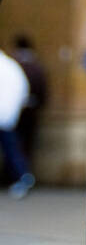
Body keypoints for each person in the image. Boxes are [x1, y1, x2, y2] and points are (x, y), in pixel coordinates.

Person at [0, 47, 35, 197]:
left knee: (11, 149)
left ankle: (23, 177)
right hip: (8, 115)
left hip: (4, 113)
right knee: (11, 148)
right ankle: (23, 177)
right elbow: (24, 90)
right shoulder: (11, 65)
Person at [10, 36, 47, 163]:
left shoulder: (16, 66)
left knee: (15, 142)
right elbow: (43, 90)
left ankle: (17, 172)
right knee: (26, 142)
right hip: (32, 109)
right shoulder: (37, 66)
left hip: (18, 110)